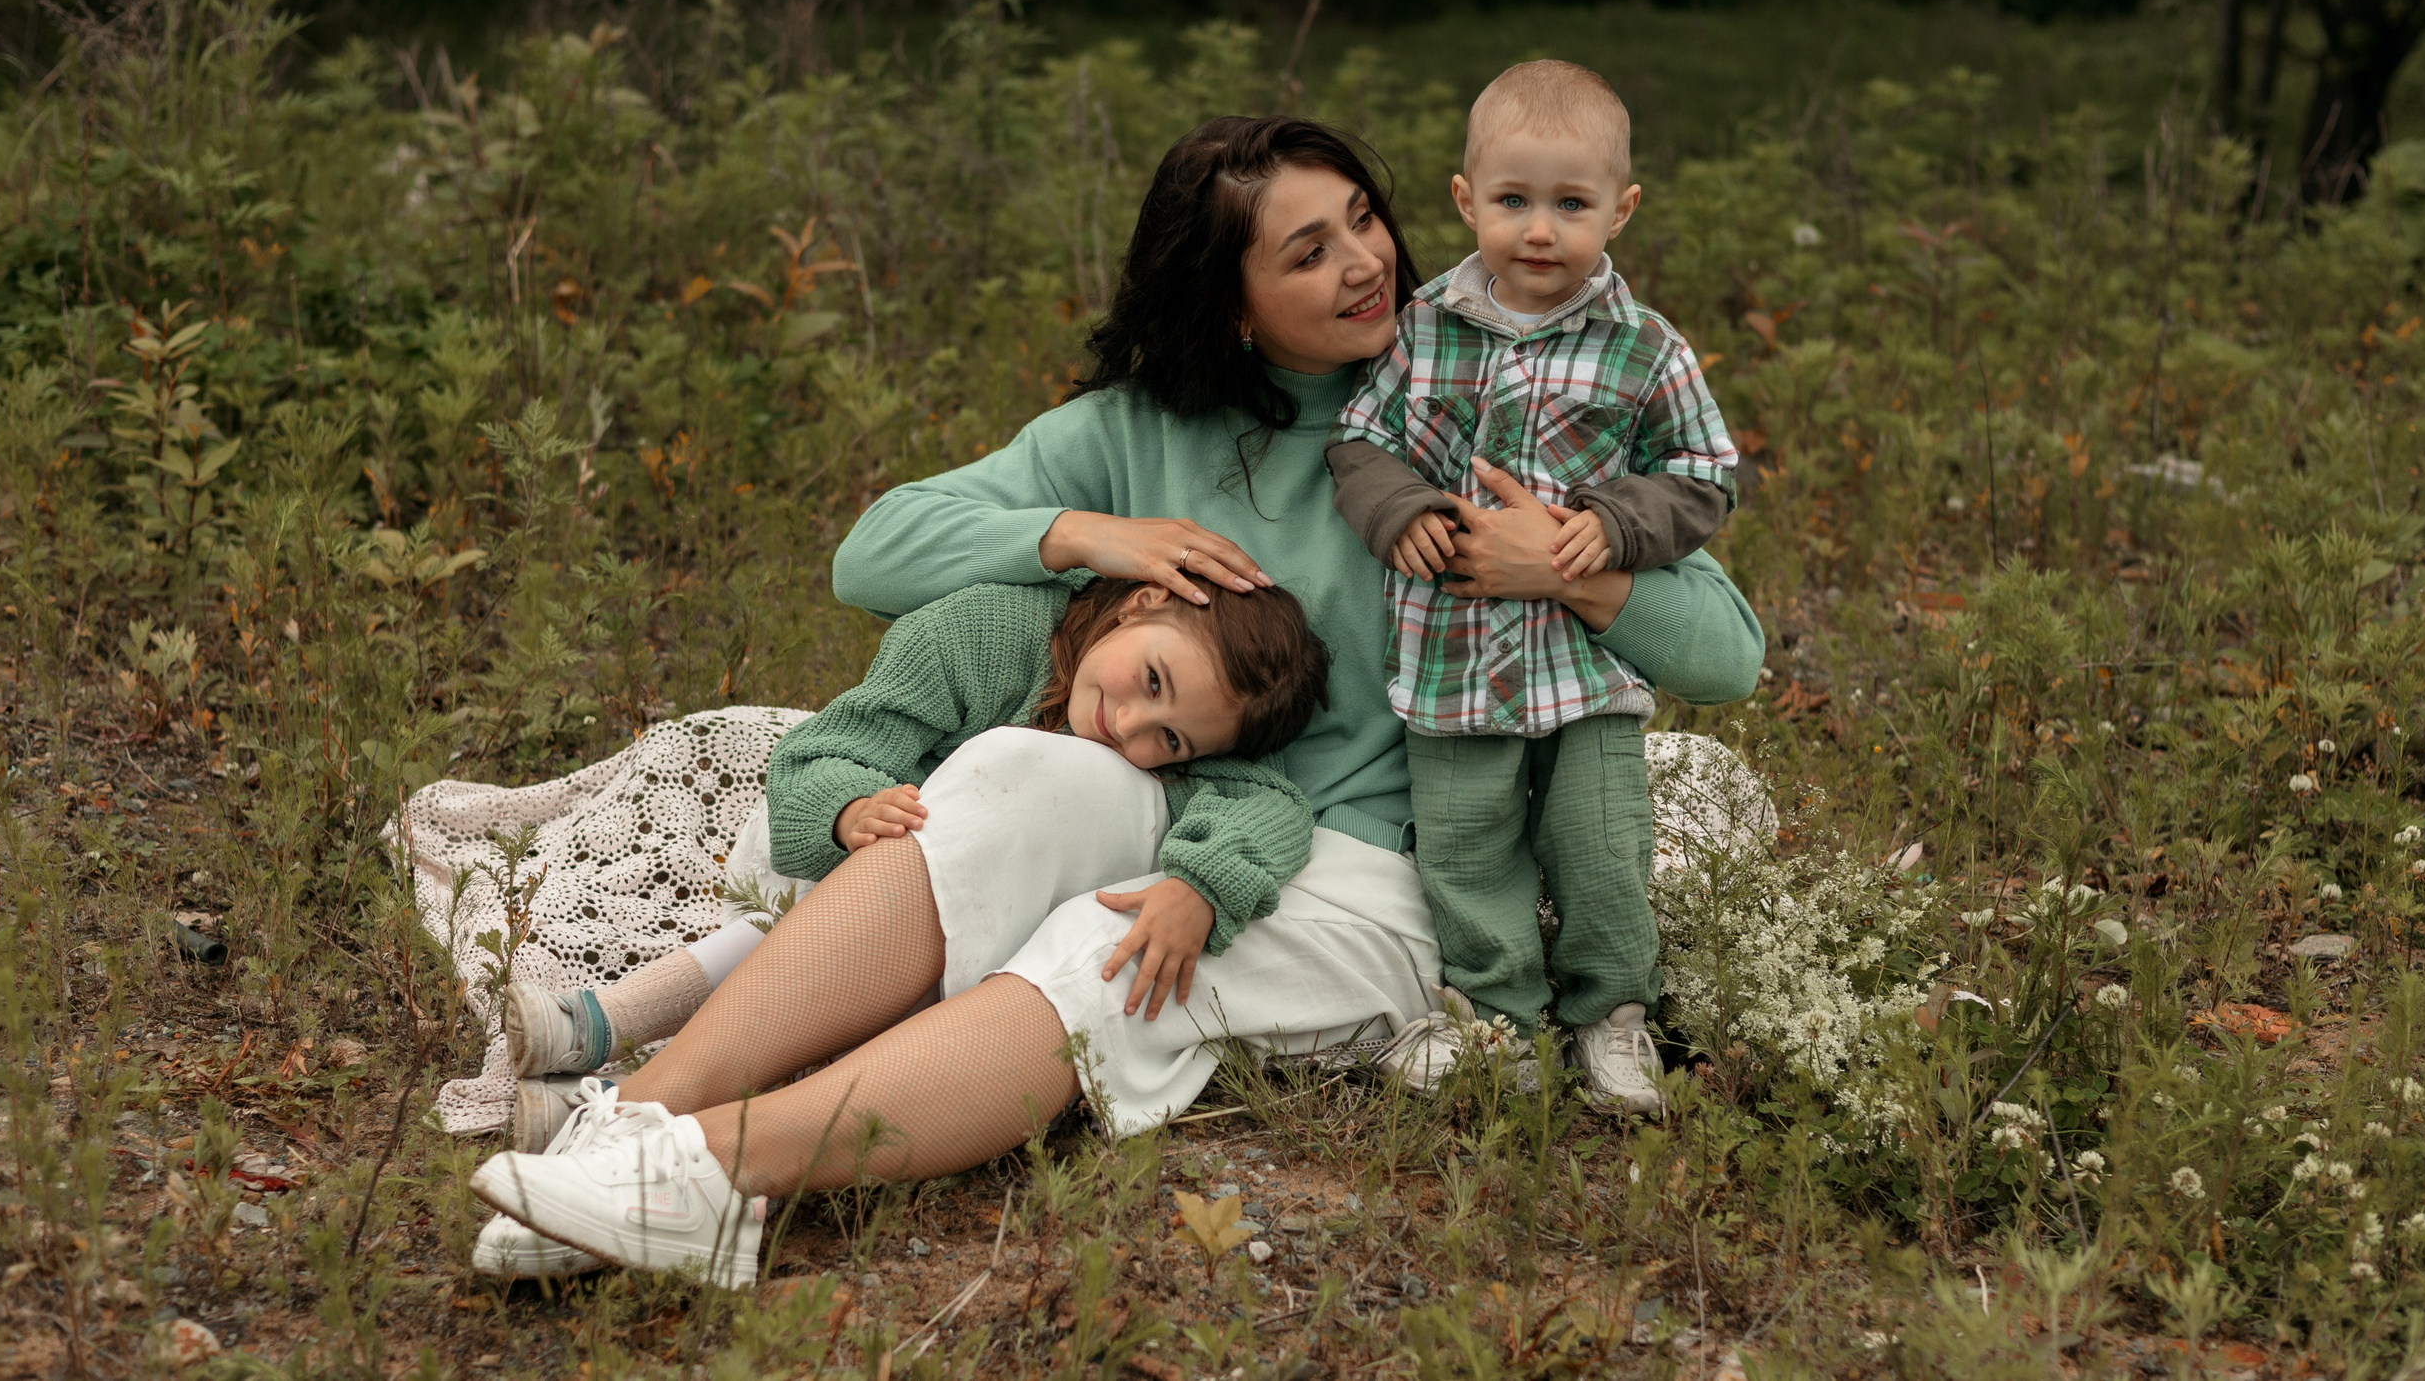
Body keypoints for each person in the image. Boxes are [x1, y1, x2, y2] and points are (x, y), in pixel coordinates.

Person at [461, 116, 1764, 1287]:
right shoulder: (1145, 429)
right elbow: (875, 551)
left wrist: (1568, 570)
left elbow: (1728, 651)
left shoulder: (1483, 395)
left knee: (1109, 944)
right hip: (1178, 792)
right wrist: (1090, 534)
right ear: (1232, 303)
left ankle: (711, 1170)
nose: (1365, 262)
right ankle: (640, 1119)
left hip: (1372, 873)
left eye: (1363, 218)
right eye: (1307, 251)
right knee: (1009, 773)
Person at [488, 572, 1331, 1154]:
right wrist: (849, 808)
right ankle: (620, 1025)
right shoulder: (986, 633)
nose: (1132, 727)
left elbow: (1273, 805)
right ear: (1142, 602)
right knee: (851, 892)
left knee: (928, 909)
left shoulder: (1172, 760)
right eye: (1150, 679)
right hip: (843, 861)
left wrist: (1202, 885)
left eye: (1171, 739)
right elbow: (832, 747)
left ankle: (602, 1086)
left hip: (940, 942)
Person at [1328, 61, 1736, 1115]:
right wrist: (1399, 507)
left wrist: (1614, 523)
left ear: (1620, 210)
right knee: (1465, 847)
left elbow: (1703, 475)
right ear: (1466, 200)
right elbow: (1361, 442)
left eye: (1571, 205)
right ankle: (1498, 1018)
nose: (1540, 230)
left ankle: (1612, 1011)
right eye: (1513, 200)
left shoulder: (1645, 349)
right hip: (1452, 653)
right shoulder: (1422, 327)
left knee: (1600, 846)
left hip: (1585, 668)